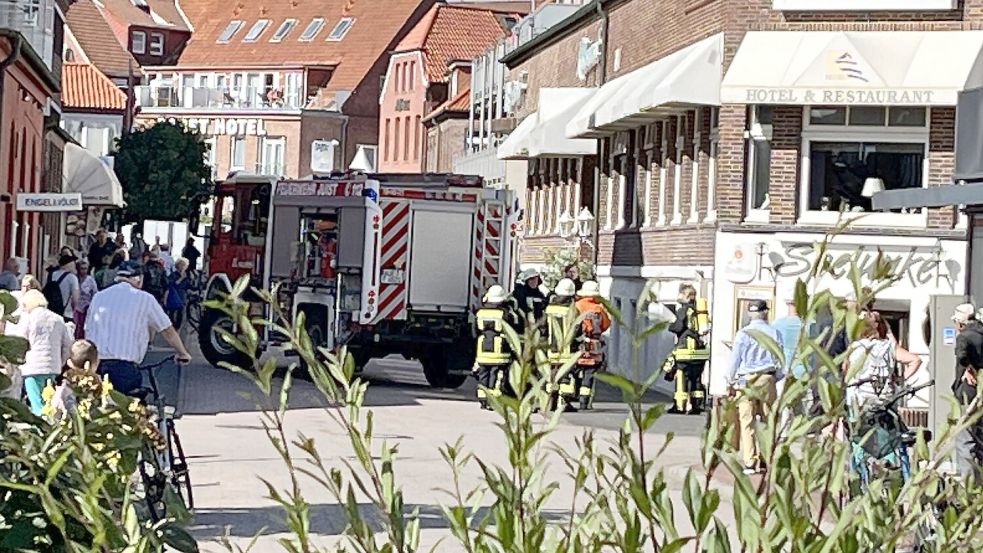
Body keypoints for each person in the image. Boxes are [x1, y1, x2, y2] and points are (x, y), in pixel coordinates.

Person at [84, 265, 192, 395]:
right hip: (124, 369)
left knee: (98, 406)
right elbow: (167, 330)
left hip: (96, 365)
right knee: (130, 406)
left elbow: (88, 329)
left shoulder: (99, 297)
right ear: (139, 279)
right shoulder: (145, 298)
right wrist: (182, 353)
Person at [725, 300, 784, 475]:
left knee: (747, 421)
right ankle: (766, 459)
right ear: (766, 312)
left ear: (750, 314)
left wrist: (729, 381)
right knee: (767, 420)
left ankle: (750, 462)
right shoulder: (774, 333)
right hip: (767, 378)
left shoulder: (743, 333)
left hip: (746, 380)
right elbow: (781, 359)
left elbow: (734, 359)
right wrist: (777, 377)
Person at [19, 289, 73, 415]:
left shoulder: (28, 319)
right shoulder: (58, 319)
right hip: (52, 366)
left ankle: (40, 430)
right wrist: (60, 361)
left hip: (32, 367)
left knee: (36, 403)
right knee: (49, 401)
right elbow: (68, 344)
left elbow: (21, 342)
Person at [665, 283, 710, 415]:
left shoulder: (684, 310)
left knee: (681, 378)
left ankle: (679, 406)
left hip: (685, 351)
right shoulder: (700, 311)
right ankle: (697, 405)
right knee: (696, 379)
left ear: (685, 295)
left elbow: (678, 327)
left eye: (680, 293)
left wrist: (671, 326)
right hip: (699, 352)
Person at [473, 284, 520, 409]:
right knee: (497, 375)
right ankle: (493, 400)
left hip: (483, 348)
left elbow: (474, 331)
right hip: (500, 350)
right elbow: (512, 329)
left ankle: (483, 399)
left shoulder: (480, 312)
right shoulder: (504, 313)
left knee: (483, 374)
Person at [953, 303, 983, 481]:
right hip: (980, 391)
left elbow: (962, 356)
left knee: (965, 438)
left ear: (960, 322)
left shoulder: (964, 337)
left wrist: (968, 368)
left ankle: (969, 485)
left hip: (968, 393)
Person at [544, 278, 580, 411]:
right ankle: (564, 403)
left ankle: (550, 402)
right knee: (566, 377)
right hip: (568, 350)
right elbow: (578, 330)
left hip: (552, 349)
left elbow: (543, 327)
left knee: (552, 376)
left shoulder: (549, 309)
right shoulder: (572, 310)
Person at [574, 280, 611, 410]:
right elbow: (606, 324)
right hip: (595, 345)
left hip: (579, 344)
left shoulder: (577, 306)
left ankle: (572, 395)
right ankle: (585, 402)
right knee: (589, 373)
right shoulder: (599, 308)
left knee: (575, 370)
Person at [46, 339, 100, 419]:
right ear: (96, 363)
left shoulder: (63, 390)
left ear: (69, 363)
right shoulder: (102, 390)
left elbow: (54, 414)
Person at [43, 254, 80, 322]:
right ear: (69, 264)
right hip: (66, 314)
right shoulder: (72, 278)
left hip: (50, 313)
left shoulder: (49, 275)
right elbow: (75, 299)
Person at [73, 260, 98, 339]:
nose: (84, 271)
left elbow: (95, 293)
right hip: (76, 307)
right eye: (82, 269)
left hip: (86, 307)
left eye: (85, 269)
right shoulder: (74, 279)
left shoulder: (90, 280)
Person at [166, 258, 191, 328]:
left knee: (181, 311)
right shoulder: (173, 275)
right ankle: (172, 324)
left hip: (182, 294)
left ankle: (177, 325)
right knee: (172, 311)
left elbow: (188, 285)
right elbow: (173, 283)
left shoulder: (186, 275)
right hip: (175, 293)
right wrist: (181, 278)